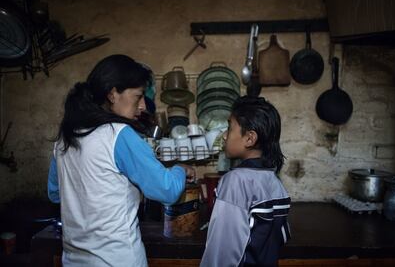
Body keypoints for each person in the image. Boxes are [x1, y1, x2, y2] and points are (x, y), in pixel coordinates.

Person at [47, 54, 195, 267]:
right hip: (117, 260)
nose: (143, 105)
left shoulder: (66, 136)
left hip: (73, 261)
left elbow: (55, 194)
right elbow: (167, 190)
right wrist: (180, 169)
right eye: (138, 96)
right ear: (113, 94)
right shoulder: (119, 134)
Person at [201, 96, 291, 267]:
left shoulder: (235, 181)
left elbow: (223, 251)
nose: (225, 135)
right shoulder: (274, 180)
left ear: (250, 138)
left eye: (229, 127)